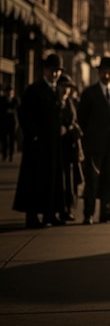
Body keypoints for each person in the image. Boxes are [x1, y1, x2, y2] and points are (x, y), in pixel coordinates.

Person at [12, 53, 67, 228]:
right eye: (52, 70)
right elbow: (24, 114)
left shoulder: (56, 91)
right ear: (45, 70)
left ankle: (50, 214)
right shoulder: (34, 90)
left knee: (52, 179)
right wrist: (33, 134)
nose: (55, 74)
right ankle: (32, 216)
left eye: (58, 71)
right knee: (34, 180)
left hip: (53, 144)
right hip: (37, 145)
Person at [77, 56, 110, 224]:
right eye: (103, 72)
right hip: (95, 144)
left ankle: (106, 212)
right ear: (99, 73)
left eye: (109, 72)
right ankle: (88, 214)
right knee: (92, 180)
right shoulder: (90, 93)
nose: (106, 75)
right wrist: (84, 143)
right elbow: (82, 119)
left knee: (109, 179)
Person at [57, 74, 84, 222]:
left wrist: (72, 128)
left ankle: (68, 209)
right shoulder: (55, 102)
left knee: (70, 179)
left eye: (68, 87)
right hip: (57, 147)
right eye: (63, 87)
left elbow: (76, 121)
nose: (65, 90)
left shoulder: (71, 103)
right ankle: (59, 209)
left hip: (70, 147)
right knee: (59, 179)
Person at [1, 86, 20, 162]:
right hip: (4, 122)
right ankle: (4, 154)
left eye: (11, 92)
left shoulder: (16, 100)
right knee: (4, 139)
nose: (10, 93)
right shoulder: (2, 100)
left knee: (12, 139)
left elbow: (18, 109)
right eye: (8, 92)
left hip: (12, 122)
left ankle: (11, 155)